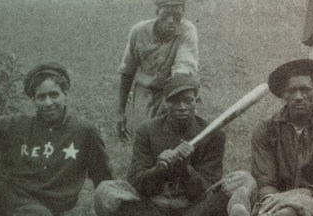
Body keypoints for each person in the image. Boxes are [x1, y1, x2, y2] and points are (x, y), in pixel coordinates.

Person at [0, 62, 113, 215]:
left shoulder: (84, 131)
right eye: (41, 97)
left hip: (45, 210)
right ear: (33, 100)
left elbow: (105, 181)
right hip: (6, 199)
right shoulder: (18, 124)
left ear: (65, 95)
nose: (48, 103)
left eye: (54, 95)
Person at [94, 74, 252, 216]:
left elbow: (207, 188)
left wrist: (186, 168)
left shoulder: (214, 135)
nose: (182, 106)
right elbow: (136, 183)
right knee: (106, 189)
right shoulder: (147, 131)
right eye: (175, 101)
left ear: (196, 101)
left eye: (188, 100)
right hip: (152, 208)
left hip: (196, 209)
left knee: (243, 180)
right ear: (165, 102)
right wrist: (160, 169)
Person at [227, 59, 313, 216]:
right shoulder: (266, 128)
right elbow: (265, 180)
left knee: (289, 210)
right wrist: (272, 202)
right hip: (273, 199)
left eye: (305, 90)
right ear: (283, 94)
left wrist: (299, 195)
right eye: (291, 91)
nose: (298, 97)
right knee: (246, 188)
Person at [117, 0, 199, 140]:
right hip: (144, 91)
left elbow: (183, 68)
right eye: (166, 15)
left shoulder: (187, 30)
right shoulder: (139, 32)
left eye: (177, 16)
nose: (171, 21)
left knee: (172, 138)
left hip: (172, 91)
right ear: (157, 13)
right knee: (142, 138)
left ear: (183, 15)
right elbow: (127, 71)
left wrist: (174, 103)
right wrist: (121, 112)